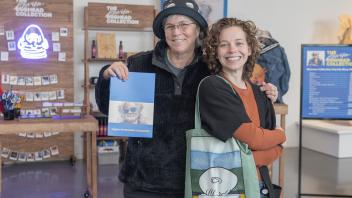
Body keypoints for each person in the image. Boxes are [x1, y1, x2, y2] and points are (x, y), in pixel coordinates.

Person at [95, 0, 278, 197]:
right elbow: (107, 108)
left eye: (184, 25)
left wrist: (264, 92)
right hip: (143, 181)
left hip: (198, 179)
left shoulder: (212, 70)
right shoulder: (139, 64)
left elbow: (239, 95)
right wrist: (107, 76)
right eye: (170, 26)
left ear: (198, 29)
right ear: (163, 31)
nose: (176, 32)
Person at [199, 18, 286, 197]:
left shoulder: (261, 92)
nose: (232, 50)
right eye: (224, 44)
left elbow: (278, 148)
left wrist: (247, 156)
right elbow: (255, 139)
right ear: (215, 51)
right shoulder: (213, 87)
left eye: (239, 43)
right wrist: (281, 134)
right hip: (224, 189)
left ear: (249, 48)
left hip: (259, 186)